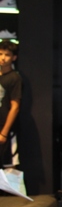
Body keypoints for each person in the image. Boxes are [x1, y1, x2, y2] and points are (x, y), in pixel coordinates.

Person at [0, 40, 21, 168]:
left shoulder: (14, 78)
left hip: (6, 130)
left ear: (14, 58)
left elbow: (15, 107)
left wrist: (4, 132)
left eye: (7, 55)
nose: (3, 58)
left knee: (9, 170)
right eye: (0, 54)